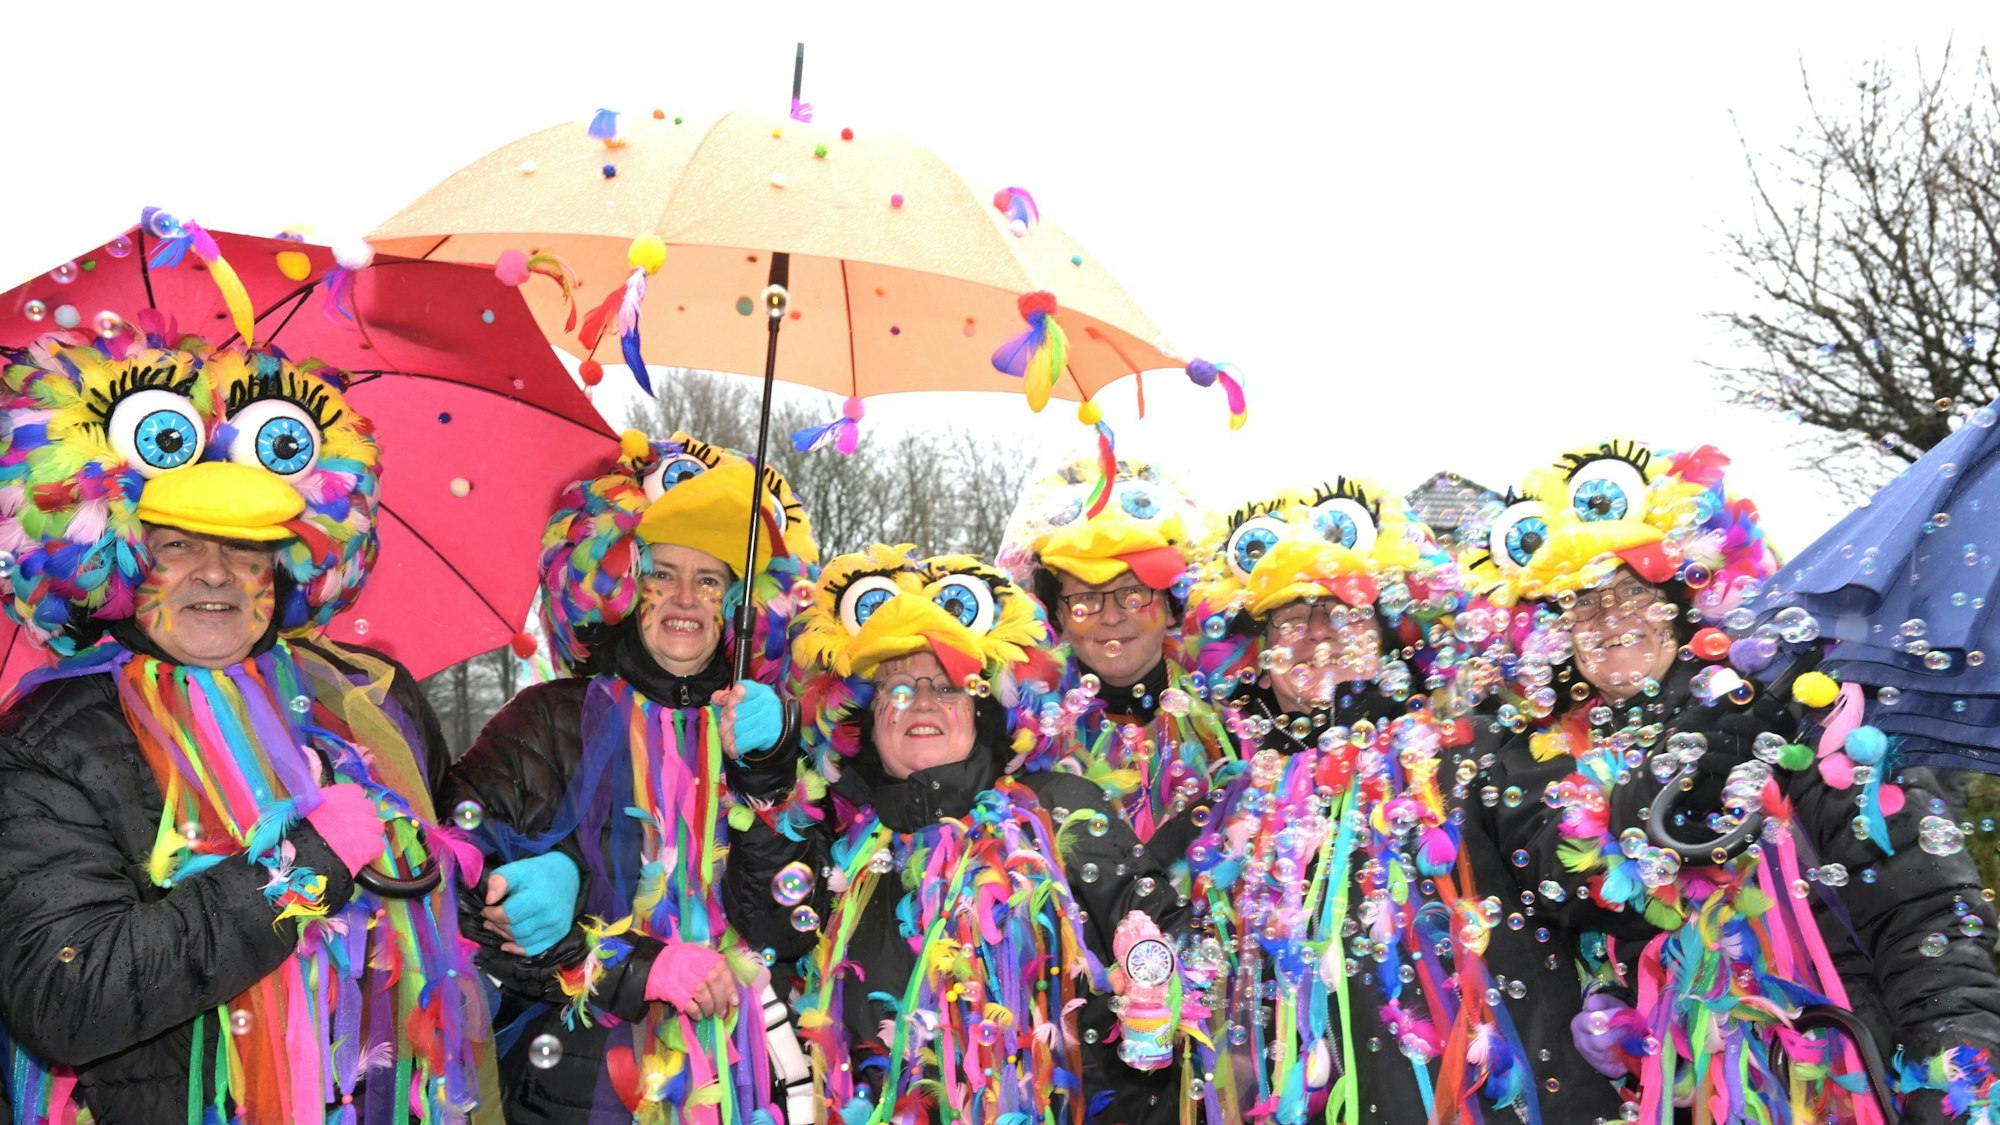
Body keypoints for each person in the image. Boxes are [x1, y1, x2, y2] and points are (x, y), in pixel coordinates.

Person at [0, 323, 495, 1123]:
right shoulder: (53, 739)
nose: (216, 573)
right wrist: (304, 868)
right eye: (176, 544)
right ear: (119, 550)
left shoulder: (362, 697)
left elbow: (452, 883)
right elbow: (67, 995)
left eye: (246, 546)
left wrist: (520, 895)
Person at [1480, 438, 2000, 1123]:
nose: (1610, 617)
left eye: (1633, 591)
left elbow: (1921, 904)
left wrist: (1952, 1071)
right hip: (1683, 1095)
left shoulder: (1799, 707)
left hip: (1848, 1075)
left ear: (1679, 600)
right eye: (1581, 602)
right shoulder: (1548, 764)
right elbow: (1586, 892)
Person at [1170, 479, 1624, 1124]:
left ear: (1387, 637)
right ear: (1261, 660)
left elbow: (1584, 879)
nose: (1319, 635)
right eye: (1291, 620)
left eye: (1346, 613)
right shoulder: (1243, 805)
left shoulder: (1474, 749)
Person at [440, 431, 820, 1124]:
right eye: (660, 573)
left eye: (711, 580)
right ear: (621, 581)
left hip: (739, 1079)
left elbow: (789, 927)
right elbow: (454, 880)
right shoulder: (547, 718)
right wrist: (630, 961)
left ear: (739, 604)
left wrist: (768, 775)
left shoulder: (760, 729)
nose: (686, 597)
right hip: (579, 1087)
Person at [768, 545, 1207, 1124]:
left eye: (948, 686)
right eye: (898, 687)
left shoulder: (1057, 810)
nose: (923, 702)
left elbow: (1177, 939)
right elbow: (769, 936)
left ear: (982, 710)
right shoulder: (844, 853)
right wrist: (759, 773)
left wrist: (1155, 983)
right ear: (868, 721)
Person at [997, 459, 1233, 842]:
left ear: (1171, 602)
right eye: (1086, 597)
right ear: (1059, 614)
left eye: (1133, 592)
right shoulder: (1017, 726)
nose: (1111, 617)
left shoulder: (1228, 713)